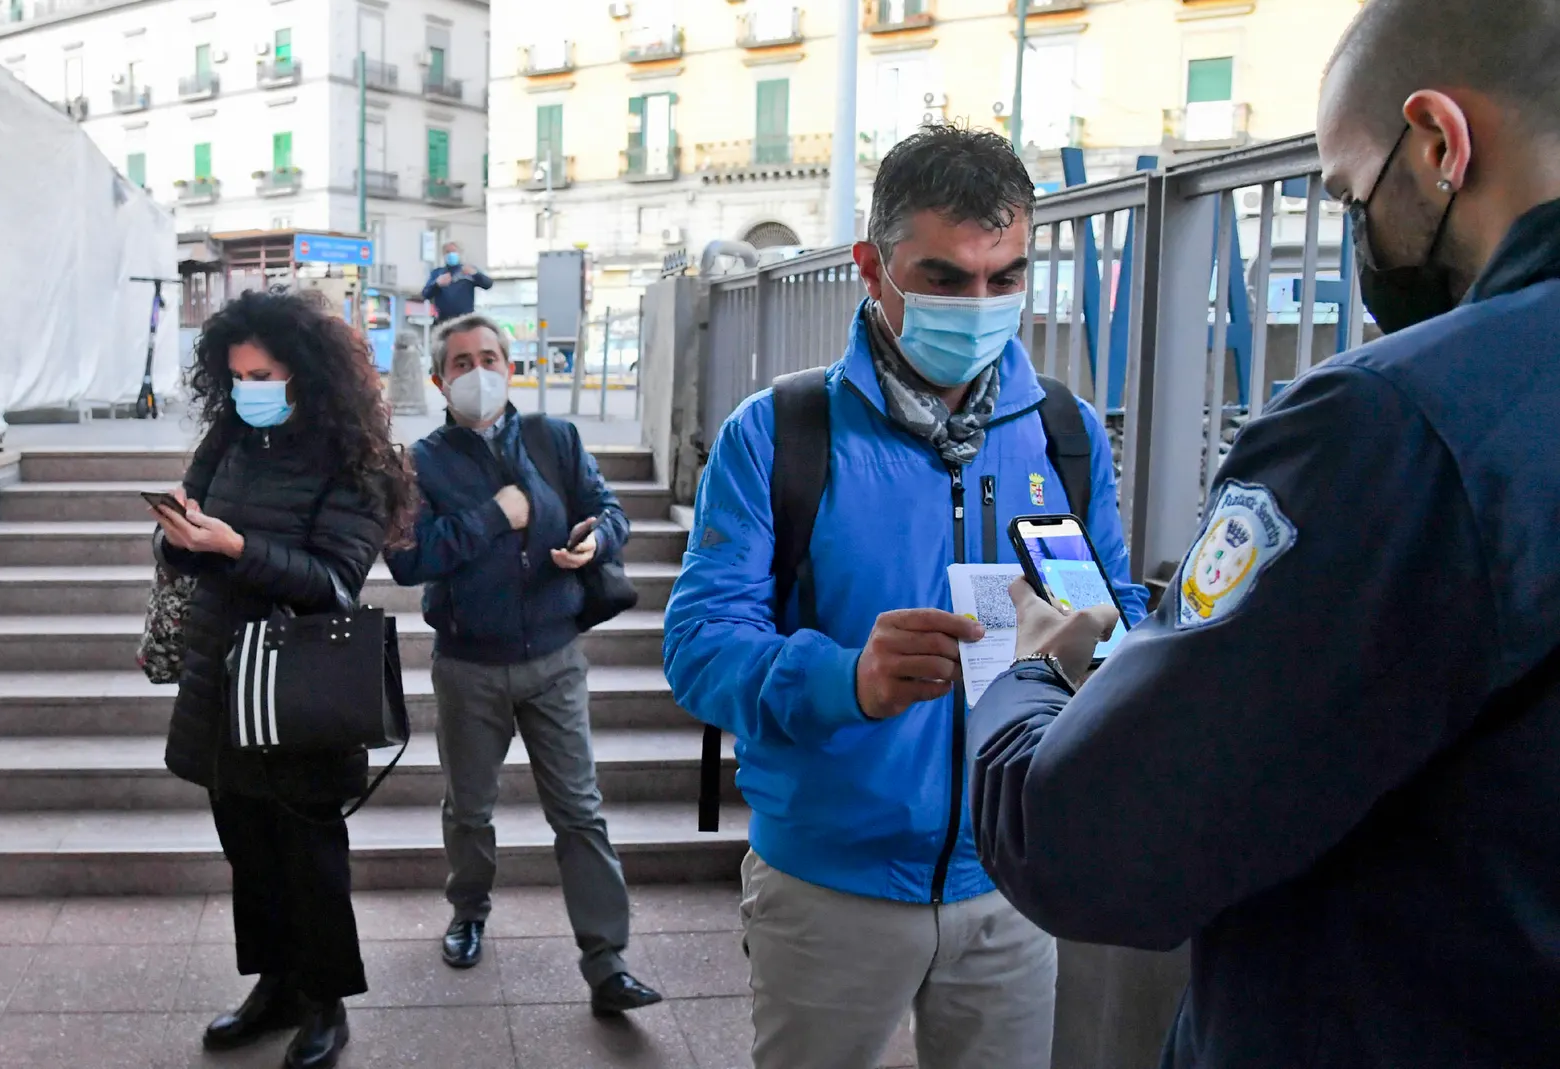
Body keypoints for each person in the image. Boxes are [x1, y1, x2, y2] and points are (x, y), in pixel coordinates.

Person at [964, 1, 1560, 1065]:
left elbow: (1098, 842)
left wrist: (1027, 679)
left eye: (1347, 194)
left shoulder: (1394, 424)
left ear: (1437, 143)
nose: (1356, 230)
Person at [662, 126, 1149, 1069]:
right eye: (942, 277)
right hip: (829, 883)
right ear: (869, 269)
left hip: (1012, 878)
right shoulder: (779, 432)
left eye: (1004, 278)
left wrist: (1110, 647)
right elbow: (699, 643)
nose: (979, 304)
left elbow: (1116, 597)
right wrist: (850, 678)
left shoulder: (1067, 432)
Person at [151, 289, 415, 1069]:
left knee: (309, 854)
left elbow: (334, 581)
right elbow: (190, 544)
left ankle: (325, 1001)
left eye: (263, 373)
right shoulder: (231, 438)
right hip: (221, 674)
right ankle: (274, 985)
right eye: (236, 375)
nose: (247, 389)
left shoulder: (361, 461)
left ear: (307, 373)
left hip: (302, 686)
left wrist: (235, 547)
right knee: (246, 846)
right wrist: (179, 540)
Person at [384, 313, 664, 1016]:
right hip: (469, 664)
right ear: (442, 380)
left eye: (488, 357)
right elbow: (408, 559)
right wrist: (493, 517)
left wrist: (596, 540)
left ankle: (606, 959)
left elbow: (610, 510)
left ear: (510, 366)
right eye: (460, 362)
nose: (476, 371)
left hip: (554, 656)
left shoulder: (553, 438)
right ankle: (469, 910)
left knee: (579, 810)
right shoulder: (422, 461)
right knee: (470, 806)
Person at [420, 243, 492, 326]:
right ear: (443, 255)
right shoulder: (437, 273)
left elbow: (488, 285)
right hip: (444, 320)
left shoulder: (468, 271)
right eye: (447, 252)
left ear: (459, 253)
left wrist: (476, 274)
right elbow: (425, 294)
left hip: (466, 320)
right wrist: (437, 284)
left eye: (454, 251)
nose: (451, 254)